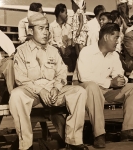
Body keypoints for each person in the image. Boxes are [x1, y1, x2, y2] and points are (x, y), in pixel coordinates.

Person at [9, 11, 89, 150]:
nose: (45, 32)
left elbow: (62, 72)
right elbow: (20, 78)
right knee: (16, 96)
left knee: (79, 92)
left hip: (53, 91)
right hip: (31, 92)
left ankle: (73, 141)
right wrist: (40, 90)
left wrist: (56, 87)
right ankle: (26, 145)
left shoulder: (53, 50)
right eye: (40, 29)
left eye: (47, 28)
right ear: (30, 30)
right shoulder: (21, 51)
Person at [73, 23, 133, 148]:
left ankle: (128, 130)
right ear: (106, 37)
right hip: (85, 91)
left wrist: (121, 79)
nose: (118, 41)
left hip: (105, 91)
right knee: (92, 87)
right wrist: (110, 82)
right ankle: (99, 134)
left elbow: (119, 73)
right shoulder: (86, 52)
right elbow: (84, 77)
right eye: (116, 37)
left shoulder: (114, 55)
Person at [49, 3, 76, 72]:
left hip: (67, 52)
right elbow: (50, 41)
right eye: (65, 12)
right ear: (60, 13)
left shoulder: (67, 27)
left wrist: (69, 46)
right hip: (57, 51)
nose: (66, 15)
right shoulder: (51, 26)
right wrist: (60, 46)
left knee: (73, 52)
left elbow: (70, 39)